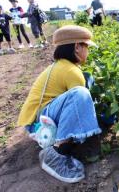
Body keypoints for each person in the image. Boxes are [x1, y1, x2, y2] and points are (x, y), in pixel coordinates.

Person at [17, 25, 104, 183]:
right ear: (77, 47)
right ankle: (57, 154)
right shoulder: (71, 71)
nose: (88, 51)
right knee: (81, 94)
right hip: (42, 123)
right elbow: (80, 103)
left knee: (87, 79)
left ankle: (61, 143)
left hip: (37, 120)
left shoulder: (61, 65)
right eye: (86, 46)